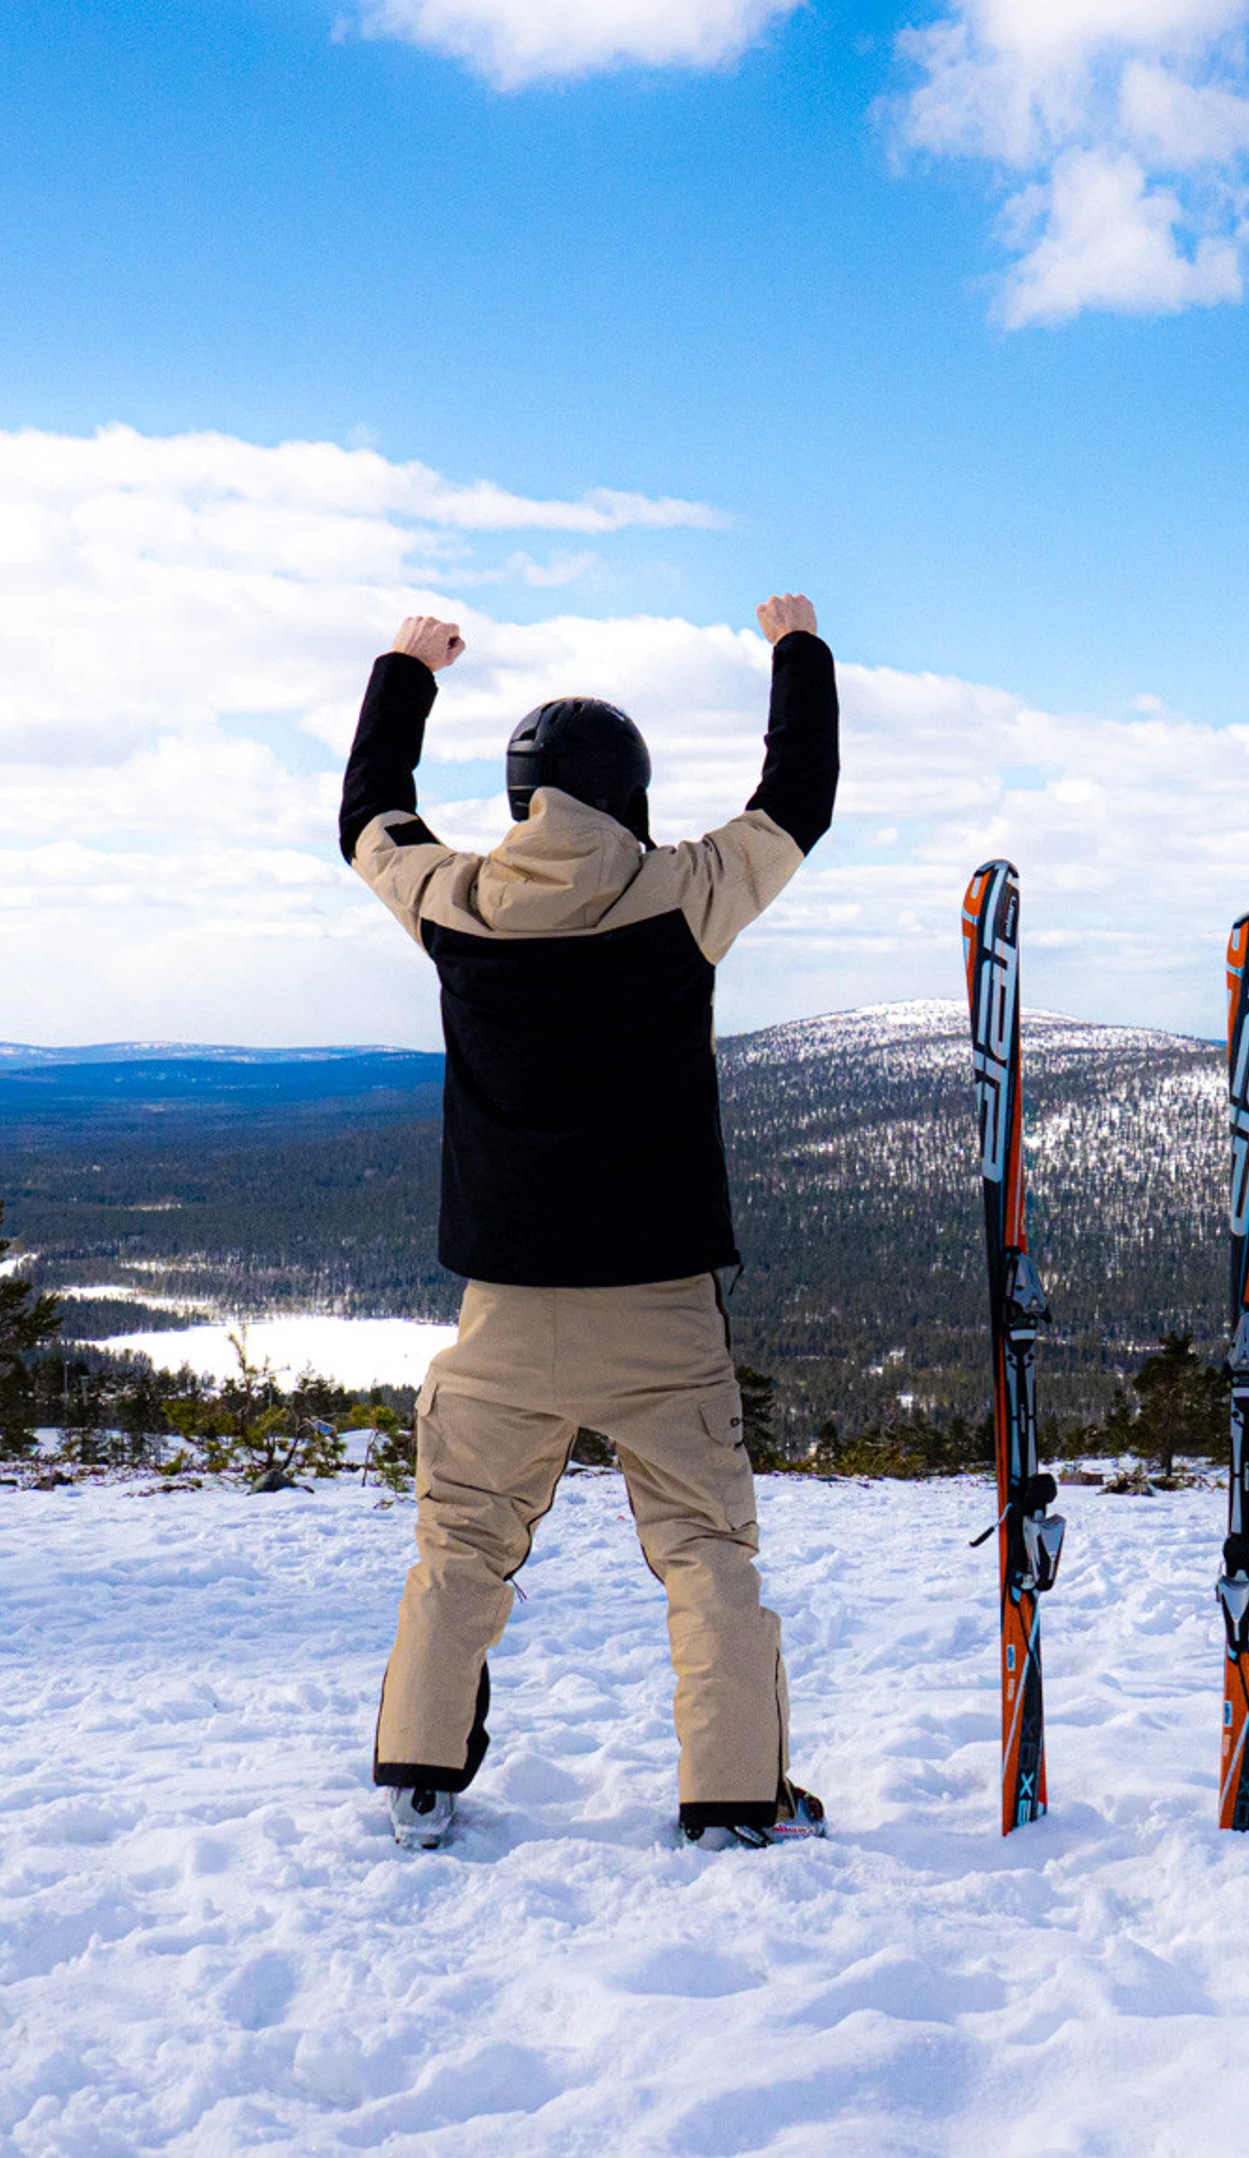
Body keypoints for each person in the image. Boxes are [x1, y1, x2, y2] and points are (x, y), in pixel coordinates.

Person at [340, 593, 839, 1852]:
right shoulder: (682, 899)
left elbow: (369, 820)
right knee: (706, 1555)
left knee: (461, 1546)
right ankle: (731, 1799)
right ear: (633, 795)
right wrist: (795, 651)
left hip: (502, 1309)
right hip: (661, 1306)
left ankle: (417, 1776)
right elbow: (799, 802)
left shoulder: (456, 907)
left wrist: (406, 670)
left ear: (520, 800)